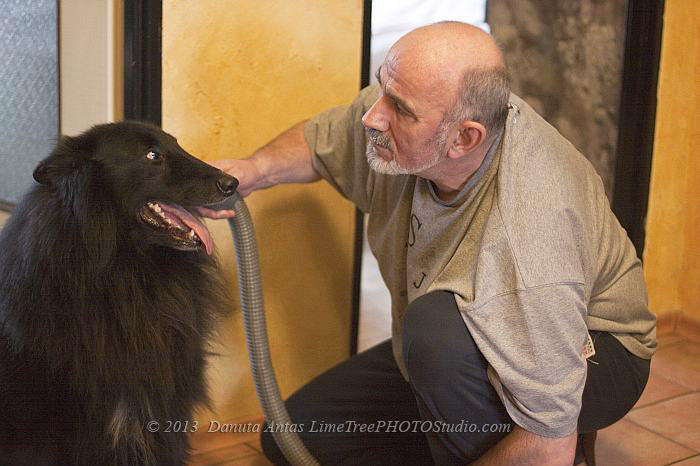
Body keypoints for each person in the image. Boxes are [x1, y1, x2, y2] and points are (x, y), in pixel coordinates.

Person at [206, 21, 656, 465]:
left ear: (464, 138)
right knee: (295, 437)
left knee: (435, 329)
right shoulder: (401, 132)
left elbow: (546, 443)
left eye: (400, 108)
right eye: (383, 89)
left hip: (592, 349)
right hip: (461, 333)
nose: (372, 115)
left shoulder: (529, 240)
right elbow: (324, 139)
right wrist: (252, 170)